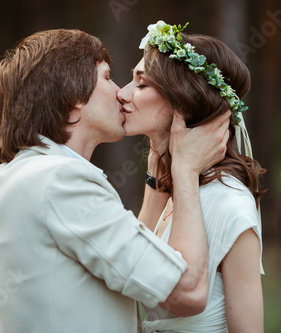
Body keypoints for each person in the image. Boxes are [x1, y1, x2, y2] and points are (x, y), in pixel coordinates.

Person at [0, 28, 231, 332]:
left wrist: (156, 167)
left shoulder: (10, 176)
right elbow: (187, 292)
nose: (121, 92)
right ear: (74, 96)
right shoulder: (62, 182)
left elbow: (136, 263)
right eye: (108, 77)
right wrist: (186, 171)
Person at [117, 21, 266, 332]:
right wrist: (164, 159)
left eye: (141, 85)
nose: (122, 93)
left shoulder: (229, 203)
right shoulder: (174, 195)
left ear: (182, 100)